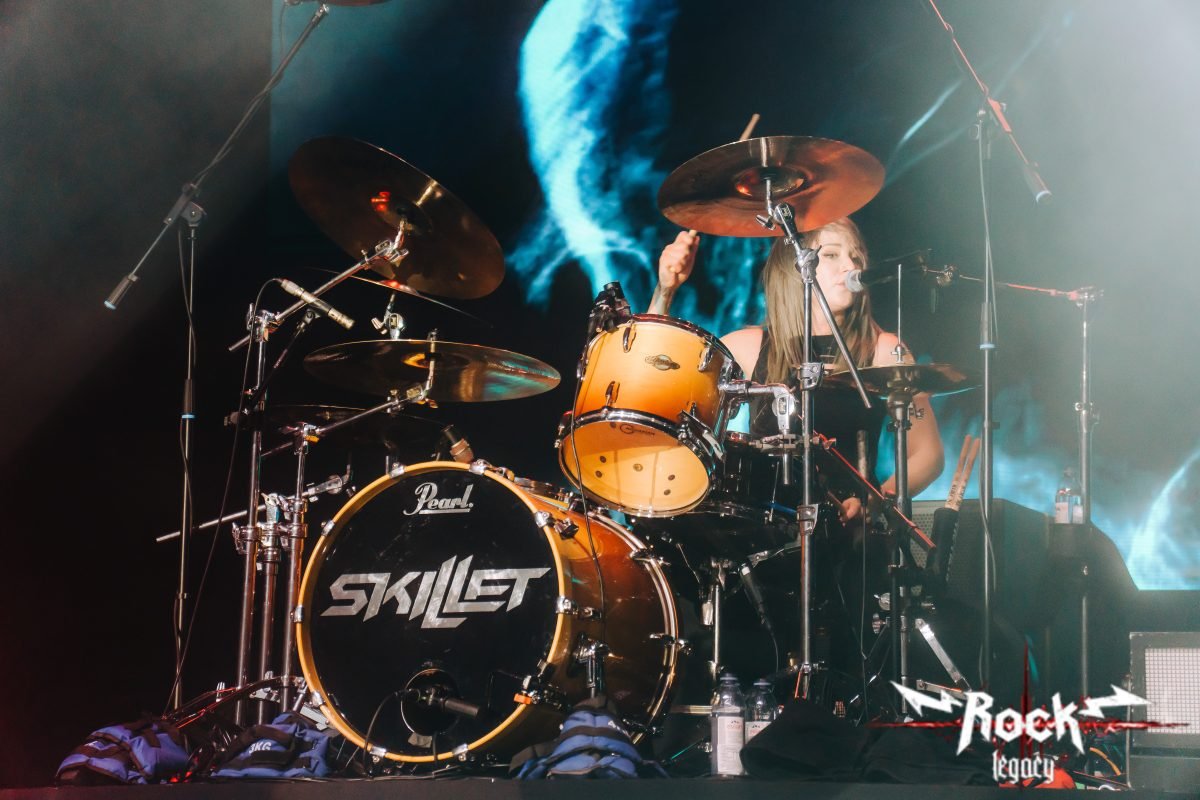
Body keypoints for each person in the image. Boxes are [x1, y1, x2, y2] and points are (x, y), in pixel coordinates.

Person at [648, 218, 944, 517]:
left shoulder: (884, 349)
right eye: (831, 254)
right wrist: (665, 290)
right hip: (766, 527)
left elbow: (928, 454)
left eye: (855, 257)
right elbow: (654, 384)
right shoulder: (749, 345)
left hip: (849, 532)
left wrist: (877, 501)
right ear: (794, 267)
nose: (849, 266)